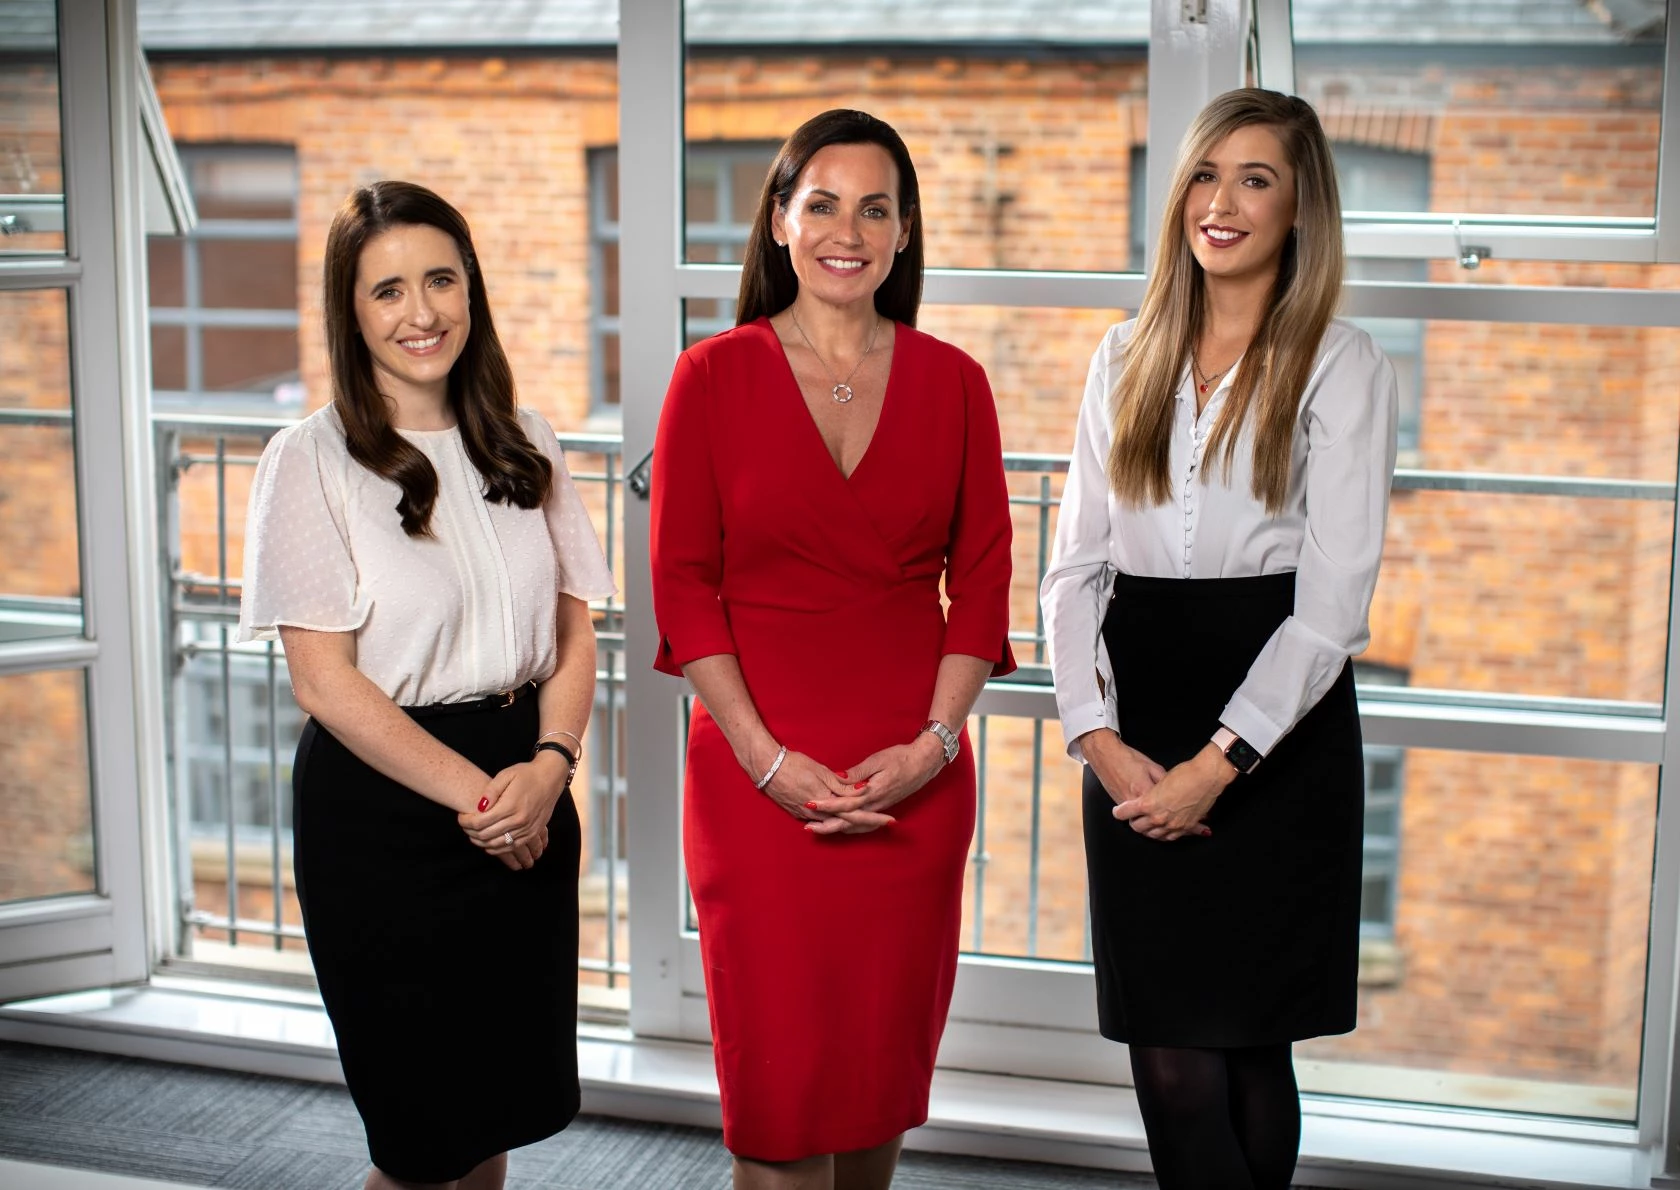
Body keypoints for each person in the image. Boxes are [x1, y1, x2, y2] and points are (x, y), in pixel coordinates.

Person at [649, 109, 1015, 1190]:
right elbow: (682, 584)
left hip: (915, 782)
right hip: (757, 785)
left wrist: (934, 745)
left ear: (904, 235)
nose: (846, 229)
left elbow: (984, 583)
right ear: (778, 220)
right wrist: (767, 760)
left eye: (875, 208)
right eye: (821, 203)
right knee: (779, 1123)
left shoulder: (957, 384)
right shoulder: (709, 377)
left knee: (870, 1108)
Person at [1040, 89, 1398, 1190]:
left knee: (1250, 1047)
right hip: (1137, 720)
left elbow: (1334, 603)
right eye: (1206, 174)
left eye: (1257, 179)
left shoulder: (1343, 362)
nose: (1223, 202)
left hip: (1274, 724)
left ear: (1301, 211)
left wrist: (1218, 763)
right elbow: (1074, 570)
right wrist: (1094, 736)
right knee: (1174, 1065)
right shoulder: (1124, 354)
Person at [236, 181, 615, 1190]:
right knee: (416, 1145)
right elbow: (323, 682)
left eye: (441, 279)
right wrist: (488, 798)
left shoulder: (525, 437)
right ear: (351, 312)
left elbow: (575, 632)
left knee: (490, 1117)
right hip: (386, 816)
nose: (422, 313)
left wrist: (549, 765)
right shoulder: (308, 459)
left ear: (472, 290)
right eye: (388, 289)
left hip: (527, 786)